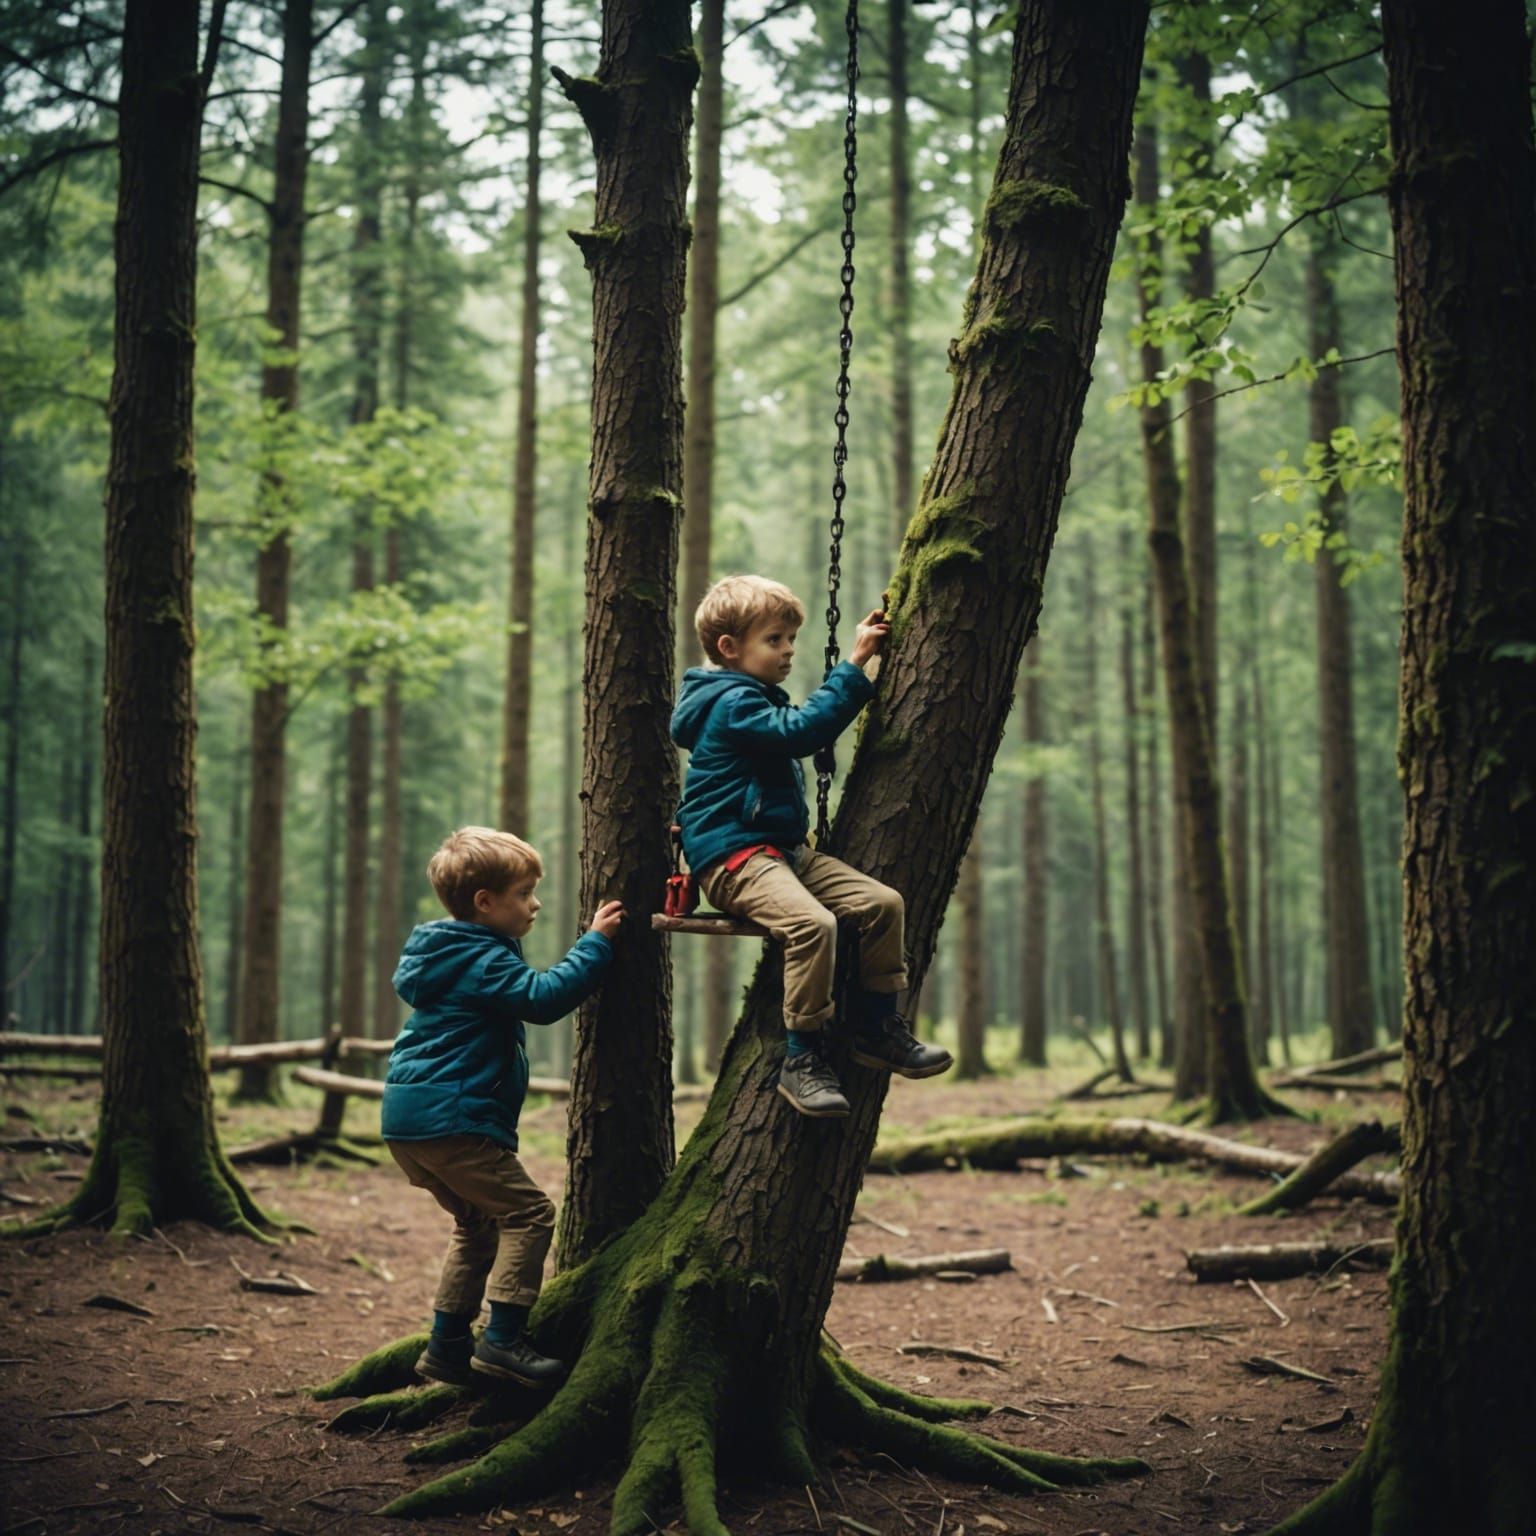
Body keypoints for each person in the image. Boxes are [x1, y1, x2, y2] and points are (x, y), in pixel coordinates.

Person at [671, 574, 951, 1117]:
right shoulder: (732, 704)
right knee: (812, 925)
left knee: (881, 904)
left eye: (789, 640)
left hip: (780, 853)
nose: (788, 651)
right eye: (774, 640)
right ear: (730, 648)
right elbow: (800, 731)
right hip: (734, 859)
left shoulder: (749, 697)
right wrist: (854, 666)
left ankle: (876, 1029)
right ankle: (800, 1058)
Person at [381, 825, 625, 1388]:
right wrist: (595, 944)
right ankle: (503, 1340)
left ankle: (446, 1348)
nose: (535, 904)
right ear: (484, 903)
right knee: (530, 1214)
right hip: (454, 1119)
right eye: (524, 893)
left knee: (477, 1225)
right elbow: (543, 999)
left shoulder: (446, 954)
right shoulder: (480, 959)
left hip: (409, 1122)